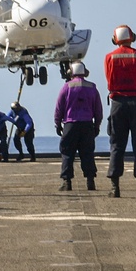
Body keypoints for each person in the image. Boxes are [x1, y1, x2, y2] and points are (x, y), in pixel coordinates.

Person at [104, 24, 136, 198]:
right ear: (132, 37)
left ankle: (114, 187)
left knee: (116, 144)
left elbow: (109, 80)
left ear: (115, 40)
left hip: (117, 103)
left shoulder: (109, 57)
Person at [54, 61, 102, 191]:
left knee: (67, 153)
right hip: (87, 125)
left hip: (70, 125)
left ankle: (67, 182)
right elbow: (98, 109)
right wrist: (97, 125)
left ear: (71, 72)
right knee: (87, 153)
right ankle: (90, 181)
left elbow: (59, 108)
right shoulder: (92, 87)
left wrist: (57, 124)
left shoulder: (66, 87)